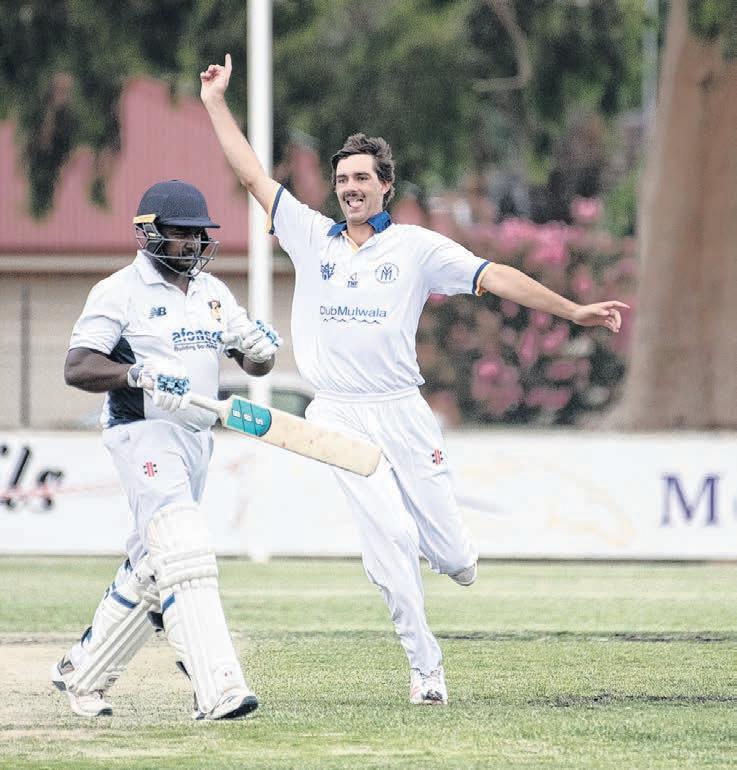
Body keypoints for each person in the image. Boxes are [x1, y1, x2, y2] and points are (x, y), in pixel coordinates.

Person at [200, 55, 629, 705]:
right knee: (391, 536)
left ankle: (445, 556)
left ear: (385, 186)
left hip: (401, 410)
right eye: (342, 180)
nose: (350, 189)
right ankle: (425, 668)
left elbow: (494, 277)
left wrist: (572, 311)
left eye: (361, 179)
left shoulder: (417, 248)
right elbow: (251, 173)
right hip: (338, 414)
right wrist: (214, 102)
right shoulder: (310, 235)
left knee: (456, 560)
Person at [50, 180, 281, 720]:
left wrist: (260, 351)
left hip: (197, 438)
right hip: (143, 432)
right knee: (184, 548)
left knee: (155, 565)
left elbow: (254, 365)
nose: (193, 243)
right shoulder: (118, 291)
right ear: (149, 233)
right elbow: (77, 367)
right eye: (182, 233)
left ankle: (82, 674)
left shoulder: (213, 293)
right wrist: (136, 373)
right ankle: (217, 687)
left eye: (199, 234)